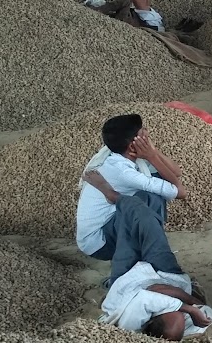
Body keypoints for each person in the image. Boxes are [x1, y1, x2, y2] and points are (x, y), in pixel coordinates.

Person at [75, 113, 186, 284]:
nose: (148, 133)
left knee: (150, 193)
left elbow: (175, 172)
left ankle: (144, 256)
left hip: (109, 227)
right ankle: (132, 269)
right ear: (133, 145)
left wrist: (153, 153)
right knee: (151, 197)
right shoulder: (123, 171)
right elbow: (180, 192)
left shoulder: (121, 156)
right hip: (99, 242)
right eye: (143, 133)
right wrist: (151, 156)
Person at [100, 260, 212, 341]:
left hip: (128, 278)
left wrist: (188, 307)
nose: (178, 308)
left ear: (152, 319)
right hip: (163, 274)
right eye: (180, 311)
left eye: (167, 308)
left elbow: (150, 292)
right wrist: (191, 308)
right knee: (148, 228)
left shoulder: (130, 325)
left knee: (129, 232)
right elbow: (208, 313)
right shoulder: (185, 327)